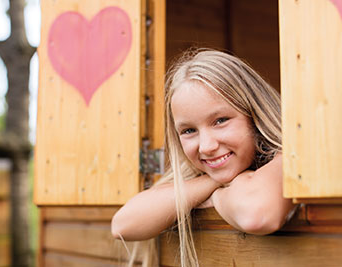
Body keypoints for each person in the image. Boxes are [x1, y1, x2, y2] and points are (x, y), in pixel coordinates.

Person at [111, 49, 295, 267]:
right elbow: (122, 225)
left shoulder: (287, 157)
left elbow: (257, 215)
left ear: (254, 116)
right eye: (189, 131)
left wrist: (215, 197)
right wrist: (214, 182)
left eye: (220, 121)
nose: (207, 146)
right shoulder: (199, 175)